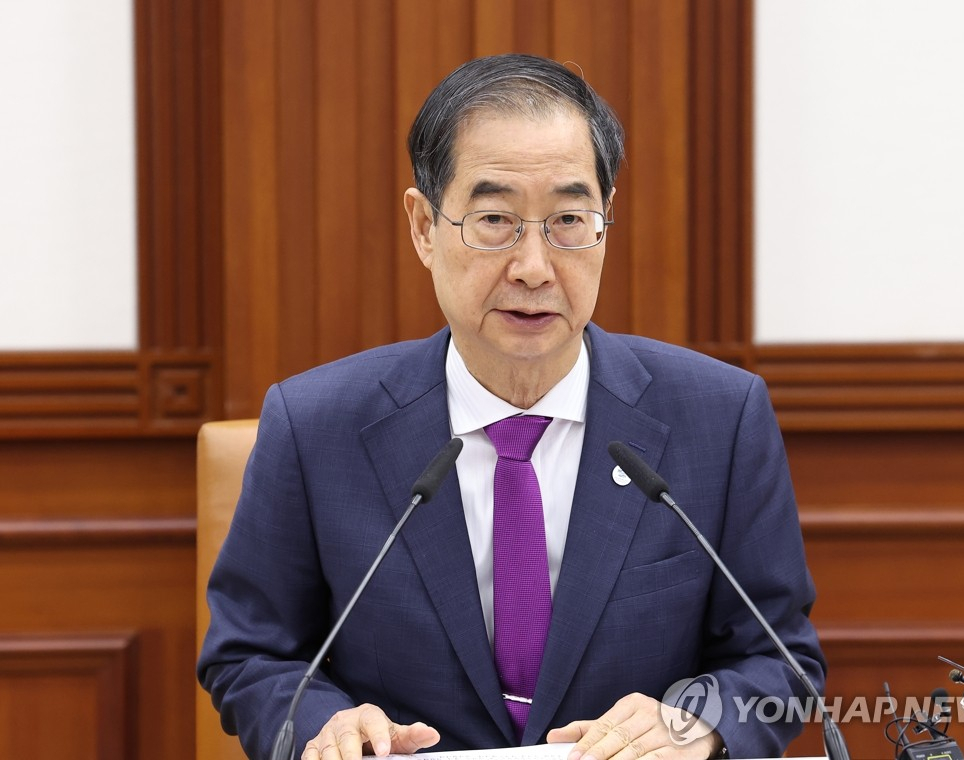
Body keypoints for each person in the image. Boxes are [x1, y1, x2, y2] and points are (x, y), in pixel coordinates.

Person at [198, 53, 825, 760]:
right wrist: (325, 725)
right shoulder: (314, 427)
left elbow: (781, 664)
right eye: (495, 219)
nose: (534, 266)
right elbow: (250, 657)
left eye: (568, 219)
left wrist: (694, 724)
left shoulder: (720, 417)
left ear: (606, 221)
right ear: (424, 227)